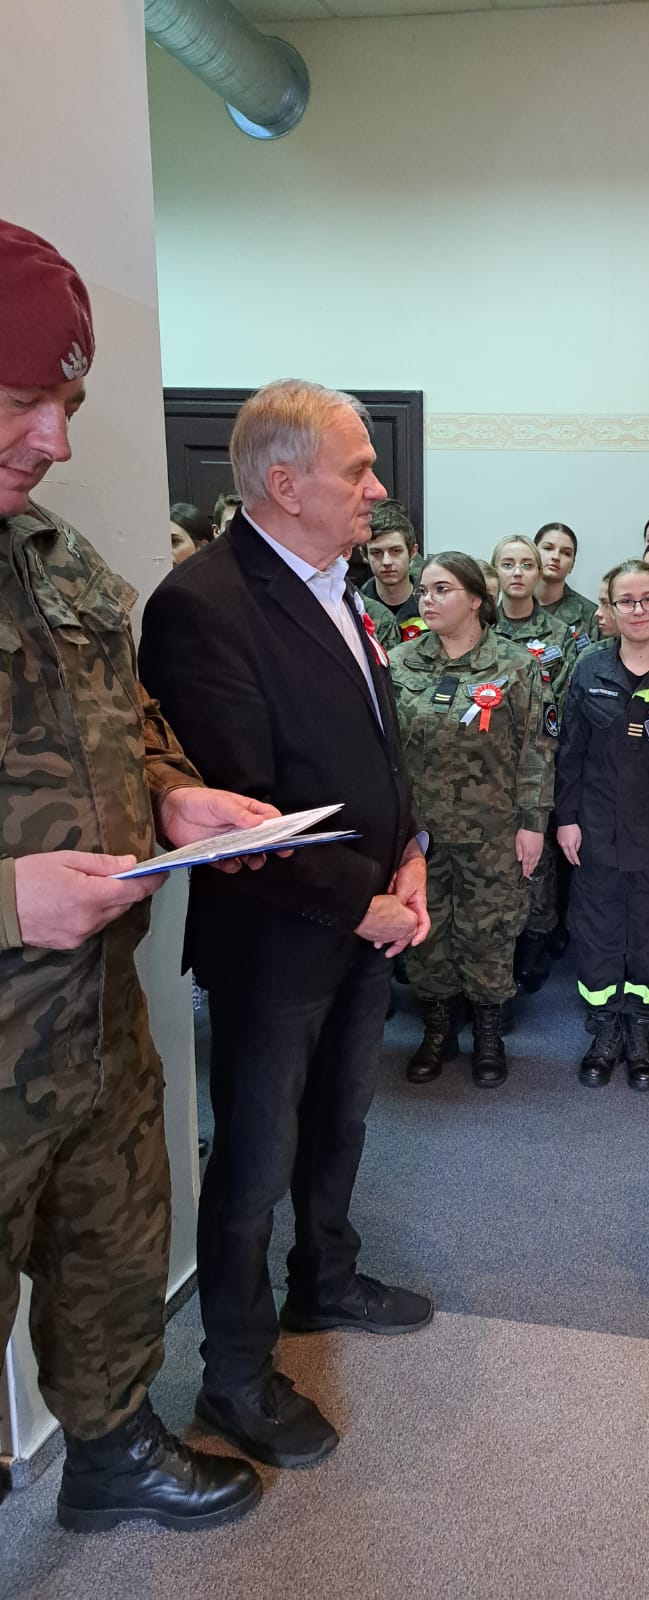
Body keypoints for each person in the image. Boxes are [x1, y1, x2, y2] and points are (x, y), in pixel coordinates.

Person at [0, 219, 273, 1532]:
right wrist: (7, 897)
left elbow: (130, 713)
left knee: (113, 1242)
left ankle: (111, 1448)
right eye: (21, 402)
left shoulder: (52, 557)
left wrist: (172, 788)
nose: (55, 439)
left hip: (97, 1017)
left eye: (66, 402)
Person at [139, 378, 433, 1472]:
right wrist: (364, 898)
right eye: (359, 470)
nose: (378, 488)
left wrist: (411, 851)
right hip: (275, 938)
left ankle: (327, 1279)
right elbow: (244, 803)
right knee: (254, 1163)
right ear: (284, 482)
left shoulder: (337, 584)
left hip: (364, 913)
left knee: (341, 1121)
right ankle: (235, 1374)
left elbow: (378, 744)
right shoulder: (203, 605)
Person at [389, 553, 554, 1086]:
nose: (427, 599)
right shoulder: (399, 662)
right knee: (426, 927)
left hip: (493, 830)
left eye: (441, 589)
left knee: (490, 929)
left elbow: (537, 749)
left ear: (476, 599)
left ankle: (488, 1033)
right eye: (423, 590)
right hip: (420, 834)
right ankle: (437, 1030)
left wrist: (533, 823)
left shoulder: (516, 666)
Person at [556, 560, 649, 1089]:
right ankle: (603, 1028)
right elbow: (569, 754)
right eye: (626, 601)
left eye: (648, 599)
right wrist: (566, 819)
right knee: (597, 930)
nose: (638, 610)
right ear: (612, 608)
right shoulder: (587, 670)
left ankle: (640, 1030)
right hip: (595, 829)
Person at [492, 534, 577, 991]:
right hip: (490, 763)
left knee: (538, 858)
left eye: (527, 563)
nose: (518, 572)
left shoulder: (560, 636)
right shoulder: (481, 629)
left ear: (538, 571)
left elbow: (560, 702)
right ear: (496, 571)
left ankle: (537, 939)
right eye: (508, 564)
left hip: (542, 758)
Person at [362, 498, 423, 636]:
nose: (386, 562)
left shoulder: (432, 604)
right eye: (376, 553)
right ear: (365, 556)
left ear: (412, 552)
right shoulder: (356, 608)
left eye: (396, 551)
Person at [535, 521, 594, 636]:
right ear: (532, 554)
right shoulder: (514, 606)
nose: (556, 557)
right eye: (548, 548)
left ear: (572, 565)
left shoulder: (591, 616)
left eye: (566, 553)